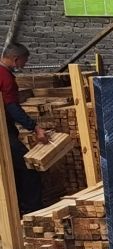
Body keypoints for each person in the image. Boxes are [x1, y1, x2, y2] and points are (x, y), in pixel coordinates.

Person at [0, 42, 50, 214]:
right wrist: (35, 128)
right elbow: (12, 108)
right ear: (16, 59)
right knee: (28, 168)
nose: (25, 64)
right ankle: (34, 213)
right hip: (3, 132)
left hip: (6, 129)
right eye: (24, 61)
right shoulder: (6, 78)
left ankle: (16, 211)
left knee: (12, 172)